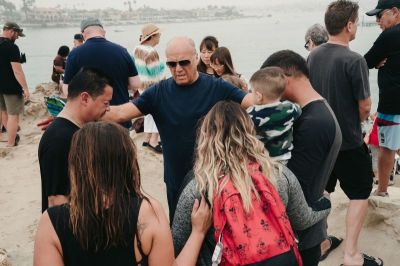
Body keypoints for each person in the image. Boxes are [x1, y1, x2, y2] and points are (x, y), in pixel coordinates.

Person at [103, 36, 253, 222]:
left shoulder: (217, 87)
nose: (178, 69)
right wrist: (80, 110)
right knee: (179, 230)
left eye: (184, 62)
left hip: (214, 177)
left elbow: (251, 103)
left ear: (196, 58)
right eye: (172, 64)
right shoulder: (158, 92)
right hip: (176, 178)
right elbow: (120, 114)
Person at [173, 101, 332, 266]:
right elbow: (302, 219)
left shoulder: (199, 187)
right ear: (250, 132)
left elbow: (177, 245)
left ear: (205, 137)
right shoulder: (278, 174)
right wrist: (325, 203)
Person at [34, 121, 212, 266]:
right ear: (127, 162)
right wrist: (197, 232)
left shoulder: (51, 222)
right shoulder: (148, 212)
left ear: (75, 165)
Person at [307, 1, 383, 266]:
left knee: (322, 192)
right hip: (348, 141)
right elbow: (365, 105)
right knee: (360, 193)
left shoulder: (313, 55)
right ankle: (352, 256)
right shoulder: (354, 59)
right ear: (349, 25)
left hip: (321, 140)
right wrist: (357, 124)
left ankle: (322, 241)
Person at [261, 50, 342, 266]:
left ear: (283, 79)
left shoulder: (314, 123)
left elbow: (293, 185)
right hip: (305, 230)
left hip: (301, 236)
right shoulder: (315, 112)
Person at [38, 67, 113, 213]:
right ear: (84, 98)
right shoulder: (59, 140)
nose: (109, 109)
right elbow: (57, 202)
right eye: (106, 103)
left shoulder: (75, 130)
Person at [62, 18, 140, 129]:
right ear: (103, 32)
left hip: (88, 121)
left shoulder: (75, 54)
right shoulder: (122, 51)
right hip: (118, 118)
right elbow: (135, 84)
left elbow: (67, 90)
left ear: (83, 34)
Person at [364, 0, 400, 197]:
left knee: (387, 148)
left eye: (380, 15)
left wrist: (376, 64)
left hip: (392, 103)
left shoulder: (389, 35)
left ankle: (382, 190)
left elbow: (364, 62)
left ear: (394, 12)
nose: (378, 21)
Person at [247, 67, 301, 162]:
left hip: (262, 160)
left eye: (252, 92)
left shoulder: (251, 115)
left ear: (259, 96)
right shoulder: (290, 108)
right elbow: (299, 110)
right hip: (284, 158)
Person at [134, 23, 165, 153]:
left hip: (142, 86)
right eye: (158, 35)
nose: (160, 37)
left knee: (148, 112)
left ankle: (147, 138)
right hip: (153, 85)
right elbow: (156, 73)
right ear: (152, 36)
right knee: (159, 112)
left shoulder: (138, 49)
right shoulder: (151, 52)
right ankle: (154, 140)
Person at [0, 22, 29, 147]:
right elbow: (17, 71)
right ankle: (10, 144)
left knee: (2, 111)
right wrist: (26, 89)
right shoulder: (12, 47)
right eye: (17, 35)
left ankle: (2, 137)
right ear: (12, 31)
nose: (17, 37)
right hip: (11, 86)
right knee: (13, 115)